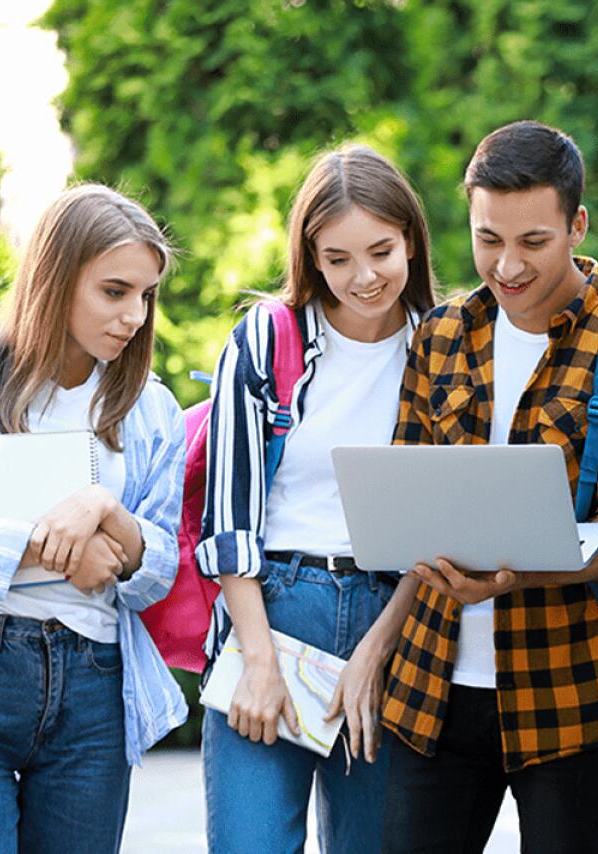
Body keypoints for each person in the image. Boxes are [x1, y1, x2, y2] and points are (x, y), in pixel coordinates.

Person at [377, 120, 598, 854]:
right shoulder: (441, 335)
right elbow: (408, 472)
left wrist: (516, 572)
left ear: (577, 224)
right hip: (431, 688)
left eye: (533, 242)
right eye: (488, 239)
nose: (508, 265)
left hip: (570, 695)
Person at [0, 183, 187, 853]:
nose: (135, 317)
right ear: (56, 281)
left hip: (94, 689)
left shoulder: (151, 411)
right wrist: (45, 546)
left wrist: (105, 511)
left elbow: (161, 568)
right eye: (114, 292)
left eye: (146, 296)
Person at [196, 144, 437, 853]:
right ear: (311, 256)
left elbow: (444, 523)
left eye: (381, 251)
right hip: (272, 608)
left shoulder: (447, 348)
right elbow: (229, 516)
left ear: (412, 239)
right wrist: (260, 660)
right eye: (338, 259)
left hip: (393, 619)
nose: (363, 277)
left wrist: (375, 652)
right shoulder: (267, 340)